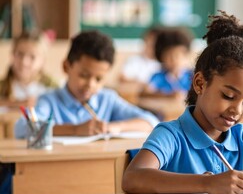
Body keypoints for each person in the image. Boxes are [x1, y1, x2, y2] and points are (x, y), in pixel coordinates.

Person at [122, 11, 243, 194]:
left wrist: (238, 179)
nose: (237, 110)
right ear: (200, 83)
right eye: (228, 96)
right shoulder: (172, 135)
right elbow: (133, 177)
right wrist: (207, 183)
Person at [14, 30, 159, 139]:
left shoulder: (108, 100)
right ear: (66, 67)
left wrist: (115, 127)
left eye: (99, 79)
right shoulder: (49, 101)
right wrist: (75, 130)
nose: (90, 84)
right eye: (84, 75)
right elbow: (21, 128)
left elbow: (151, 122)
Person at [0, 31, 58, 108]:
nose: (24, 62)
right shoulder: (2, 87)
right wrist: (15, 103)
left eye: (32, 57)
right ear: (12, 55)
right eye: (20, 54)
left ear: (42, 60)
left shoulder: (51, 88)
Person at [141, 27, 193, 99]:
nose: (174, 60)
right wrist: (167, 95)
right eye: (169, 56)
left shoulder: (192, 76)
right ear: (161, 57)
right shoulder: (158, 77)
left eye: (178, 55)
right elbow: (145, 93)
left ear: (186, 55)